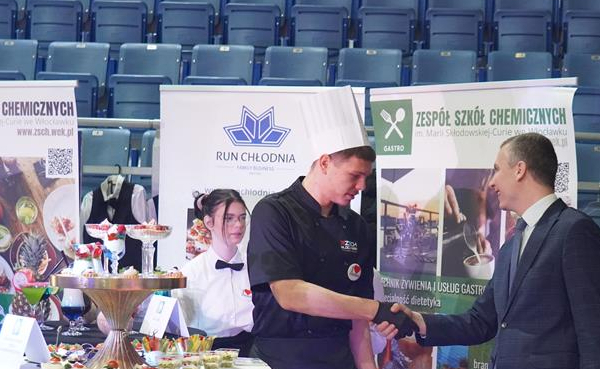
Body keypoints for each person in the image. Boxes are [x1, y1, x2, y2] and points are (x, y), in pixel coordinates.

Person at [399, 133, 600, 369]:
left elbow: (593, 332)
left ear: (519, 170)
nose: (492, 182)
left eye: (496, 170)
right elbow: (480, 322)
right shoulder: (511, 246)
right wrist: (417, 321)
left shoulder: (574, 230)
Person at [247, 145, 416, 369]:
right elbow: (289, 293)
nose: (362, 186)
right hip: (279, 359)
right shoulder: (274, 212)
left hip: (339, 357)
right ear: (325, 163)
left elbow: (358, 322)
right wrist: (374, 309)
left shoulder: (357, 227)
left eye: (366, 177)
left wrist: (368, 365)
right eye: (355, 175)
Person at [172, 189, 255, 356]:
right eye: (229, 218)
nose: (239, 225)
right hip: (207, 355)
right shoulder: (190, 273)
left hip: (253, 353)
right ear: (209, 222)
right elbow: (180, 329)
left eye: (242, 217)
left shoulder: (256, 266)